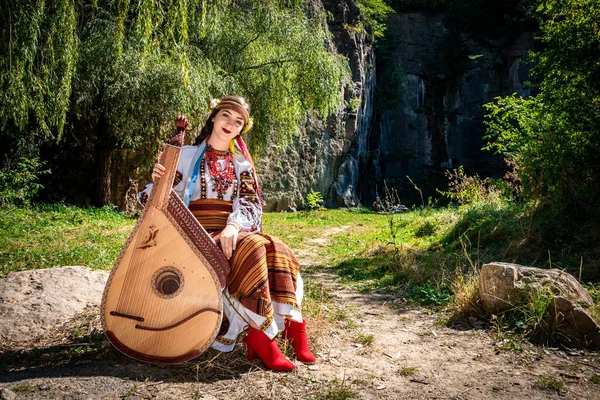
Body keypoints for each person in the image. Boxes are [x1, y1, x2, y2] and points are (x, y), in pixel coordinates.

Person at [138, 96, 315, 371]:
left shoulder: (241, 164)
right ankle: (262, 337)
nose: (230, 123)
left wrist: (232, 226)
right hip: (192, 231)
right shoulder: (185, 155)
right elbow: (162, 199)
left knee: (276, 247)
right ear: (213, 117)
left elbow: (249, 203)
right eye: (226, 116)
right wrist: (157, 180)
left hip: (231, 230)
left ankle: (293, 326)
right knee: (255, 247)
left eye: (238, 121)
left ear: (241, 129)